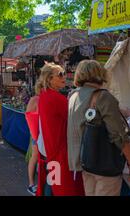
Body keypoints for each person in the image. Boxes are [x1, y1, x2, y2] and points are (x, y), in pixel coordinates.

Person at [67, 60, 130, 196]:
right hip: (105, 164)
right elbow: (118, 135)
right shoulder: (103, 96)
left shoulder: (73, 96)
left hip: (85, 162)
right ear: (100, 73)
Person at [37, 63, 84, 196]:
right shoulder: (56, 98)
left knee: (53, 182)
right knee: (58, 186)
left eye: (64, 73)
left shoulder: (44, 95)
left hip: (50, 148)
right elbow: (74, 119)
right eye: (60, 74)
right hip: (58, 151)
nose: (64, 76)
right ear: (49, 79)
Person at [25, 87, 40, 196]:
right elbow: (28, 115)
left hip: (44, 134)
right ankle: (31, 184)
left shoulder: (45, 98)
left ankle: (41, 183)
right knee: (34, 157)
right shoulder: (35, 99)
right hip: (37, 134)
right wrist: (34, 133)